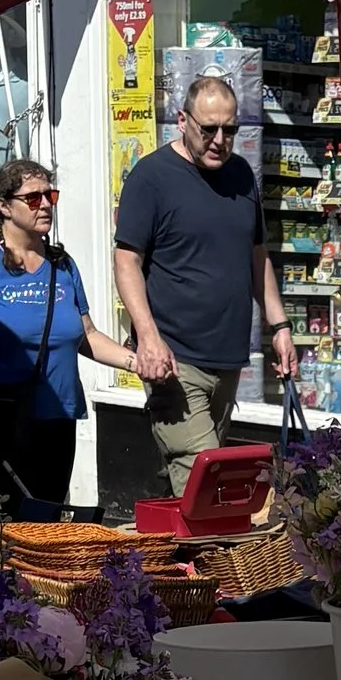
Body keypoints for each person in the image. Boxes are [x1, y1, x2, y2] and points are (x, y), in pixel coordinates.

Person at [113, 72, 297, 491]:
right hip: (175, 362)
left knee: (191, 485)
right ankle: (201, 557)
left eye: (229, 129)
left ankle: (161, 553)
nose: (219, 139)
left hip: (228, 360)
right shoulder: (151, 177)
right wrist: (148, 337)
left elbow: (256, 257)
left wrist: (281, 327)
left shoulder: (242, 176)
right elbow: (126, 261)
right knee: (204, 483)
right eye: (208, 128)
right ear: (182, 120)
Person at [0, 156, 144, 513]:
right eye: (33, 198)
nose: (45, 205)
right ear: (3, 206)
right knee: (11, 520)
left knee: (47, 518)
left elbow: (86, 335)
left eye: (50, 196)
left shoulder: (61, 265)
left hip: (57, 414)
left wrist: (136, 362)